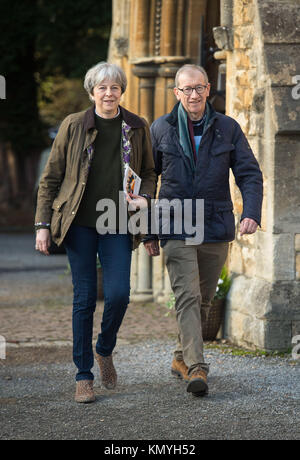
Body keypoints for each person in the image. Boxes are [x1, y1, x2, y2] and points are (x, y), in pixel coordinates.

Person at [35, 62, 156, 403]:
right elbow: (50, 179)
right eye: (102, 88)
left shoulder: (135, 126)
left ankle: (104, 348)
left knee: (119, 294)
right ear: (92, 92)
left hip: (117, 222)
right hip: (78, 225)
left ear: (121, 91)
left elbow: (149, 171)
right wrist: (42, 226)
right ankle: (83, 375)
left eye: (114, 87)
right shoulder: (74, 125)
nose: (108, 93)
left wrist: (144, 196)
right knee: (84, 300)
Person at [144, 64, 263, 397]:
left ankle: (181, 357)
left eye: (199, 88)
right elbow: (148, 182)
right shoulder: (161, 129)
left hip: (214, 225)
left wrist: (251, 212)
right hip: (174, 224)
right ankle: (197, 368)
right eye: (186, 90)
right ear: (176, 93)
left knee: (204, 300)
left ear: (208, 89)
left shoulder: (227, 128)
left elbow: (249, 174)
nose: (193, 95)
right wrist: (149, 231)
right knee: (188, 295)